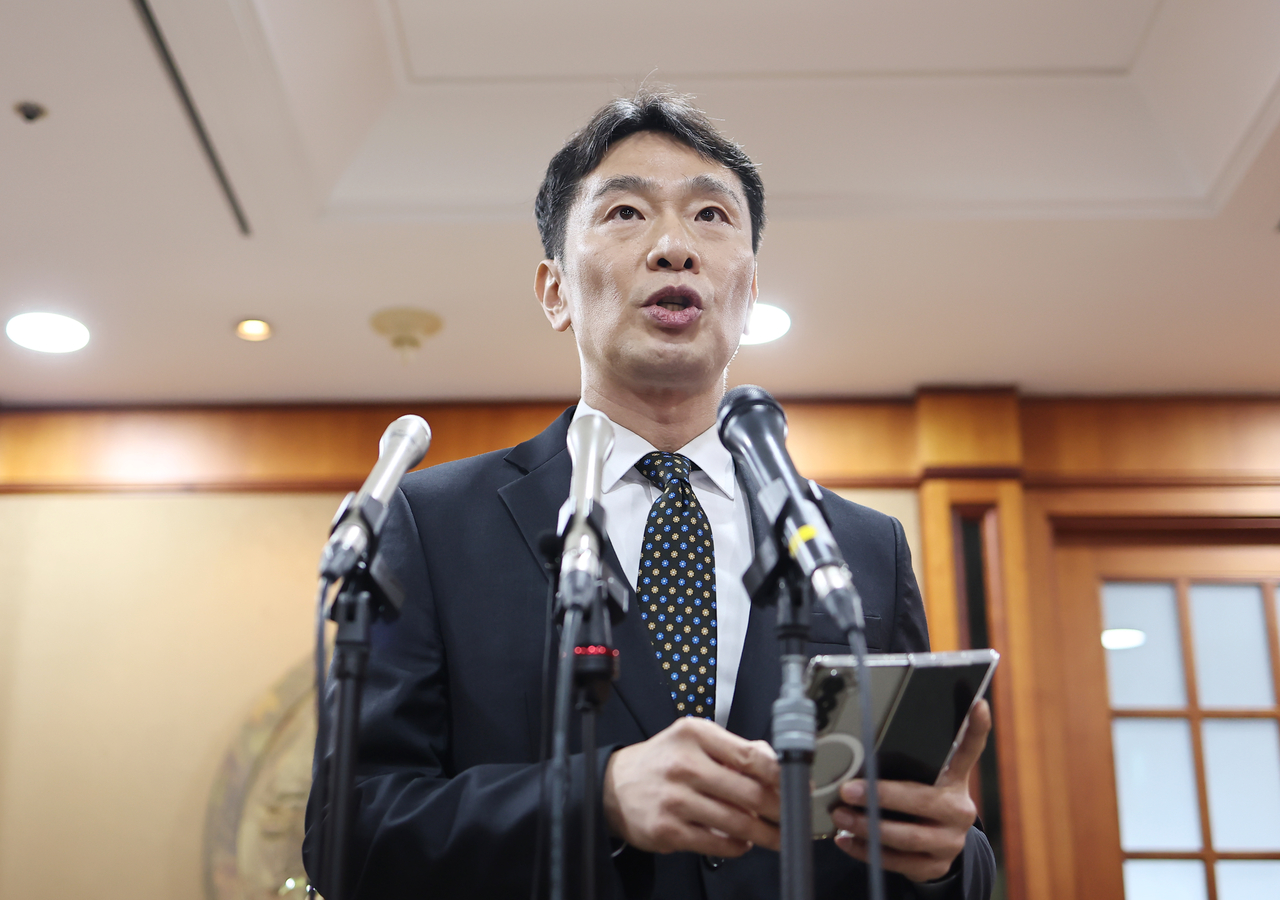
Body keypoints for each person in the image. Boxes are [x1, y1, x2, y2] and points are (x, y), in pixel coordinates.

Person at [304, 88, 995, 900]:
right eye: (626, 213)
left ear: (748, 290)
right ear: (555, 291)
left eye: (711, 216)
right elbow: (348, 834)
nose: (675, 247)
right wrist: (593, 797)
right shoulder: (432, 524)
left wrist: (949, 860)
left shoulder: (860, 549)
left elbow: (916, 836)